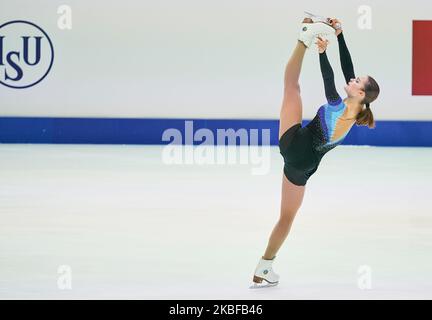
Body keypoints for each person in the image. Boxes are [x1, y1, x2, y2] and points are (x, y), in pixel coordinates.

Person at [251, 16, 380, 288]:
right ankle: (265, 266)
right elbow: (348, 68)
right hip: (304, 166)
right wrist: (340, 35)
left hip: (295, 142)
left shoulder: (339, 108)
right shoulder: (357, 109)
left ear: (360, 93)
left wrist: (321, 52)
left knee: (291, 87)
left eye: (357, 81)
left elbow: (329, 81)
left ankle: (303, 38)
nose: (353, 79)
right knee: (286, 217)